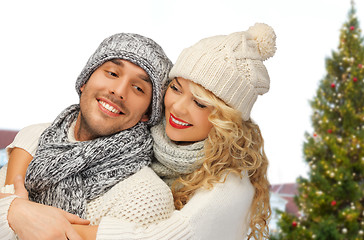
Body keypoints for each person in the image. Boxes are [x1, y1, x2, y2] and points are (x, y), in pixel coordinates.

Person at [1, 22, 276, 240]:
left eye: (200, 103)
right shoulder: (152, 138)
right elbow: (41, 133)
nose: (177, 108)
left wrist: (37, 219)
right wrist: (17, 204)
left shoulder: (229, 187)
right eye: (176, 89)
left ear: (226, 120)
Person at [0, 32, 175, 238]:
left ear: (147, 113)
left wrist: (13, 210)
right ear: (84, 81)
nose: (119, 91)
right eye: (112, 73)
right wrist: (13, 210)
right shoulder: (34, 137)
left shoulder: (147, 196)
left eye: (138, 88)